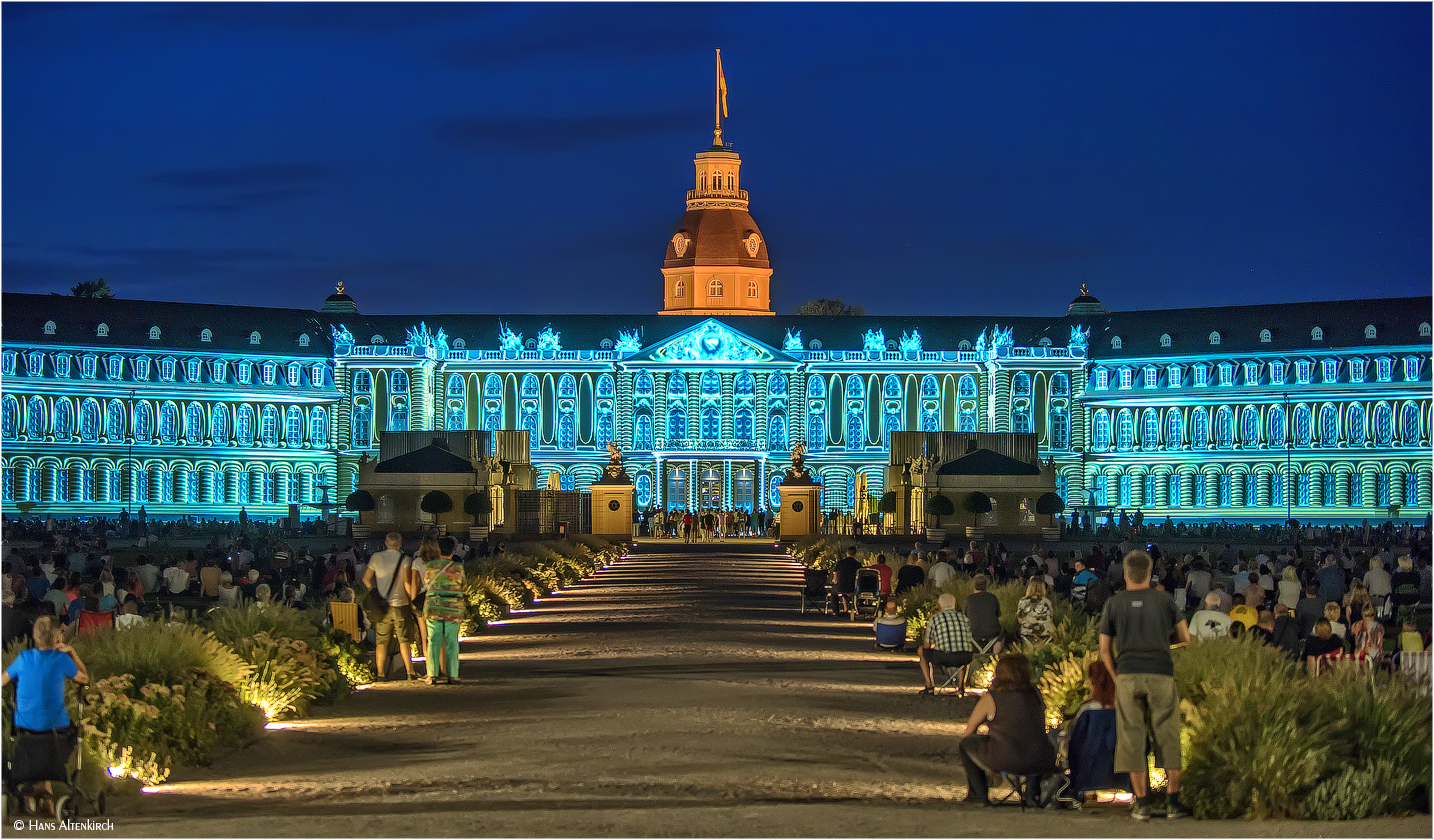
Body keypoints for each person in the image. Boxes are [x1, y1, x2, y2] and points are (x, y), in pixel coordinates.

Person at [1098, 550, 1191, 820]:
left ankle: (1142, 804)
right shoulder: (1164, 600)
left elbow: (1104, 649)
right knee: (1168, 735)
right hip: (1161, 672)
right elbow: (1185, 637)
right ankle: (1173, 803)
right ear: (1151, 574)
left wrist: (1117, 678)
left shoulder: (1113, 605)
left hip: (1127, 674)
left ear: (1125, 574)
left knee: (1131, 739)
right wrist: (1162, 642)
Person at [1, 615, 89, 815]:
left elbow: (2, 681)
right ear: (57, 637)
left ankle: (40, 789)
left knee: (35, 745)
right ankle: (45, 791)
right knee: (60, 739)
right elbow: (85, 678)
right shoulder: (61, 659)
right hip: (56, 728)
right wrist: (73, 653)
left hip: (25, 728)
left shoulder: (23, 658)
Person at [957, 653, 1058, 806]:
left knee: (966, 744)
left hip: (1005, 758)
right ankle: (1032, 793)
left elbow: (970, 730)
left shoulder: (992, 698)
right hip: (1040, 759)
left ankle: (978, 794)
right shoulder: (1036, 694)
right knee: (1035, 741)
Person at [361, 532, 419, 682]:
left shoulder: (376, 557)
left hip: (382, 606)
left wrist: (373, 591)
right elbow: (407, 583)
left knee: (381, 641)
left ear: (386, 543)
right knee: (404, 640)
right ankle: (410, 672)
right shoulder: (405, 559)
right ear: (400, 544)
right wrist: (413, 597)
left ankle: (380, 673)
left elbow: (366, 579)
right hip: (401, 604)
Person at [420, 536, 465, 685]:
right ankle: (453, 674)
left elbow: (426, 582)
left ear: (438, 550)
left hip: (433, 607)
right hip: (453, 608)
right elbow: (463, 583)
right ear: (453, 551)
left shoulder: (430, 567)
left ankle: (432, 674)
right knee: (452, 641)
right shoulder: (458, 567)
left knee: (433, 641)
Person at [917, 593, 973, 695]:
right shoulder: (964, 618)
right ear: (954, 605)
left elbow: (927, 645)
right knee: (963, 648)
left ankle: (929, 685)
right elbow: (967, 639)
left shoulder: (934, 619)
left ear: (939, 606)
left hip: (943, 657)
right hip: (965, 657)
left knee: (921, 651)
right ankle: (961, 686)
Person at [964, 575, 1003, 655]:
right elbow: (999, 618)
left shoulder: (969, 599)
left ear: (974, 585)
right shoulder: (992, 598)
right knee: (1003, 634)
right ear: (986, 585)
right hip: (992, 633)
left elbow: (965, 618)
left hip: (974, 634)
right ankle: (995, 655)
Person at [1016, 578, 1054, 644]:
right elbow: (1050, 619)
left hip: (1028, 634)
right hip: (1045, 635)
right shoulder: (1047, 602)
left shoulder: (1023, 602)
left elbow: (1020, 620)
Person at [833, 548, 861, 614]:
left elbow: (835, 577)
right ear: (855, 554)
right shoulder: (858, 564)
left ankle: (836, 611)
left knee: (834, 592)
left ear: (847, 553)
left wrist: (836, 582)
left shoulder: (840, 563)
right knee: (858, 592)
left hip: (841, 586)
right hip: (853, 587)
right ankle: (858, 608)